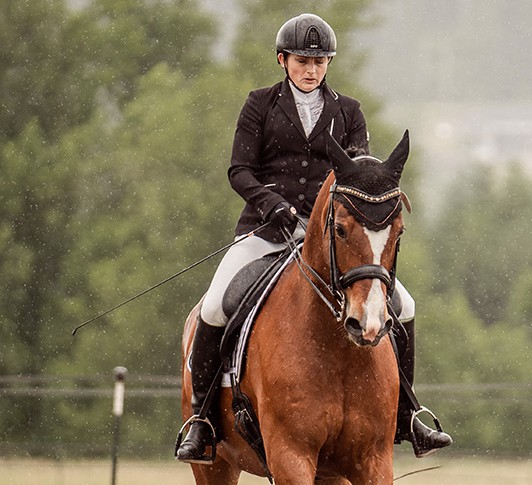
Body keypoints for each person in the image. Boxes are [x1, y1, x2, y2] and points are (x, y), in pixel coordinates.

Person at [176, 13, 451, 464]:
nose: (312, 68)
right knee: (215, 305)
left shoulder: (349, 112)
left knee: (404, 305)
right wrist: (273, 205)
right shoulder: (260, 105)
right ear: (283, 60)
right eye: (303, 60)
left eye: (320, 61)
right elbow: (239, 171)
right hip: (266, 231)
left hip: (332, 237)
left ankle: (407, 413)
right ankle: (203, 420)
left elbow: (357, 173)